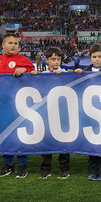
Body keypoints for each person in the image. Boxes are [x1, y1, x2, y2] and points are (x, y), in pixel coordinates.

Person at [0, 33, 35, 178]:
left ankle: (22, 165)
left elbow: (36, 74)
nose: (13, 45)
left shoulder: (24, 60)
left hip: (20, 104)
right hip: (3, 103)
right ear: (3, 45)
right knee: (5, 134)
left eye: (16, 43)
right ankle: (8, 164)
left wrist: (26, 70)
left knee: (21, 134)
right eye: (10, 43)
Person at [75, 44, 101, 181]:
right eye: (94, 57)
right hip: (89, 112)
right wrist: (77, 75)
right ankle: (92, 170)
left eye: (99, 57)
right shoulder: (84, 72)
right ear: (90, 57)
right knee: (92, 141)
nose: (97, 59)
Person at [32, 46, 71, 180]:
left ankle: (64, 169)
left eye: (58, 59)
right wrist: (33, 77)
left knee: (64, 142)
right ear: (47, 60)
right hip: (46, 113)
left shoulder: (67, 73)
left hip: (63, 113)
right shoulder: (41, 75)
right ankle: (45, 169)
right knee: (47, 141)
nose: (56, 62)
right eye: (53, 59)